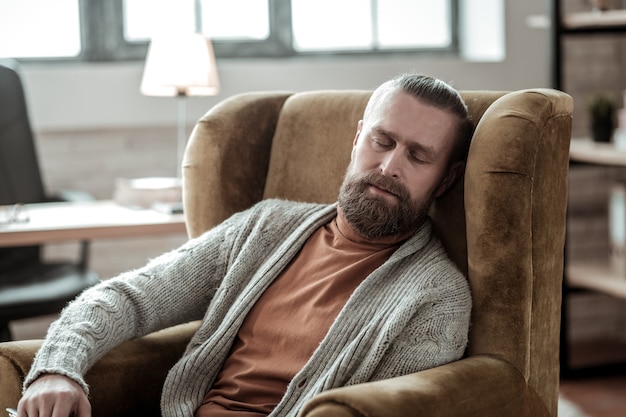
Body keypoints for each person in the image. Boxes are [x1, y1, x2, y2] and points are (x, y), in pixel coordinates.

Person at [17, 73, 474, 417]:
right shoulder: (264, 227)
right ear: (357, 139)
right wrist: (58, 368)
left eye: (418, 156)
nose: (391, 166)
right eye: (382, 140)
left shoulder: (437, 299)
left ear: (446, 178)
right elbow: (129, 296)